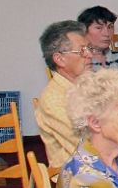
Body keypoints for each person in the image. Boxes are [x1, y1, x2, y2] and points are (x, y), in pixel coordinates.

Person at [36, 19, 93, 167]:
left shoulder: (91, 84)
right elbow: (87, 144)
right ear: (60, 59)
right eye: (82, 50)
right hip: (77, 173)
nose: (89, 54)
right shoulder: (52, 99)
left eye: (89, 48)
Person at [78, 5, 118, 70]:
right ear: (84, 30)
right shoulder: (79, 60)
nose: (107, 34)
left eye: (110, 27)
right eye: (99, 28)